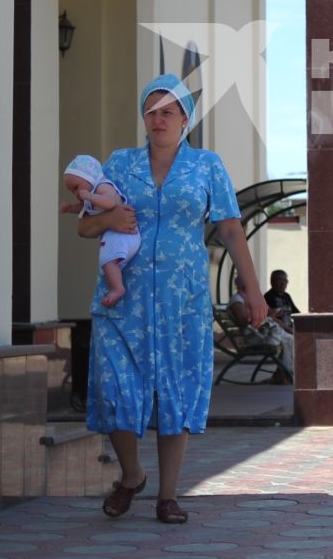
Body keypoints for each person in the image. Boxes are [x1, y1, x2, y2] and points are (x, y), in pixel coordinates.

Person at [75, 73, 262, 524]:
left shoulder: (206, 166)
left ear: (184, 120)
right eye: (151, 111)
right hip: (124, 298)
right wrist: (112, 218)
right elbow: (85, 226)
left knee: (175, 390)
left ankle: (169, 494)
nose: (158, 119)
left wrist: (252, 287)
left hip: (183, 300)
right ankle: (131, 474)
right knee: (116, 389)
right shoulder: (119, 165)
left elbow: (231, 228)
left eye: (168, 112)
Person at [61, 154, 141, 305]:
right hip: (117, 234)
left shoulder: (103, 186)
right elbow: (83, 210)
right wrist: (70, 208)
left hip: (124, 234)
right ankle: (117, 285)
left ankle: (118, 288)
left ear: (90, 177)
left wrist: (90, 197)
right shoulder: (91, 195)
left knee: (107, 261)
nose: (76, 193)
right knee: (107, 260)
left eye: (76, 187)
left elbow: (110, 202)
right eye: (72, 191)